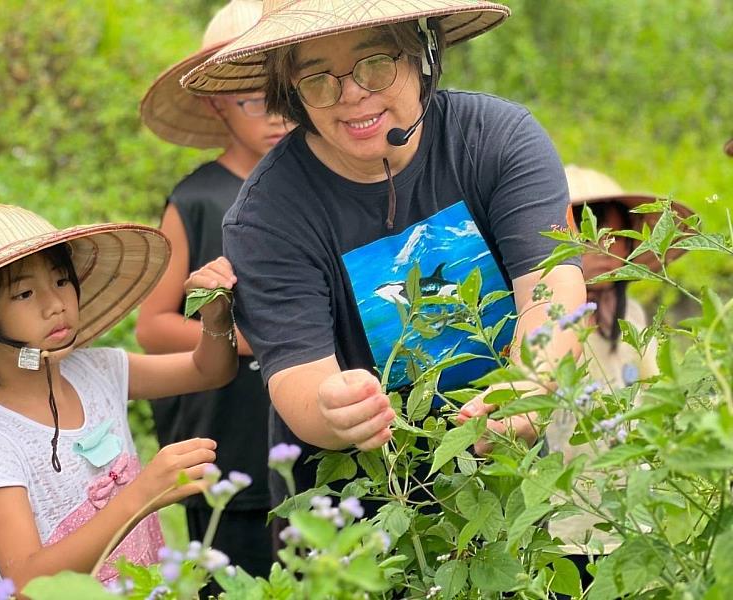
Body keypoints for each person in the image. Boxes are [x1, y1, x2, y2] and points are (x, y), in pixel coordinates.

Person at [180, 0, 587, 501]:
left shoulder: (498, 141)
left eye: (375, 64)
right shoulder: (267, 216)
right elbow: (299, 379)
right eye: (319, 81)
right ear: (293, 95)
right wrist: (332, 409)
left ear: (422, 53)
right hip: (359, 522)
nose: (352, 94)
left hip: (508, 488)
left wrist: (532, 381)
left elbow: (551, 288)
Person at [0, 203, 239, 594]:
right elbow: (26, 583)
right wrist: (143, 494)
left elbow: (209, 370)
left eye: (61, 281)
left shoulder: (96, 371)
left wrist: (214, 318)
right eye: (24, 293)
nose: (55, 304)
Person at [137, 0, 291, 580]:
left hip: (318, 431)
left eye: (285, 94)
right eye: (254, 99)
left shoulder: (324, 187)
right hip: (231, 430)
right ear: (216, 103)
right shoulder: (198, 200)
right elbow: (153, 326)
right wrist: (254, 336)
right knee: (235, 568)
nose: (276, 115)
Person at [546, 165, 694, 595]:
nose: (601, 250)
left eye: (610, 237)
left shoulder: (630, 316)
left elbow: (656, 392)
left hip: (626, 505)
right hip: (561, 511)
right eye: (586, 236)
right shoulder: (547, 321)